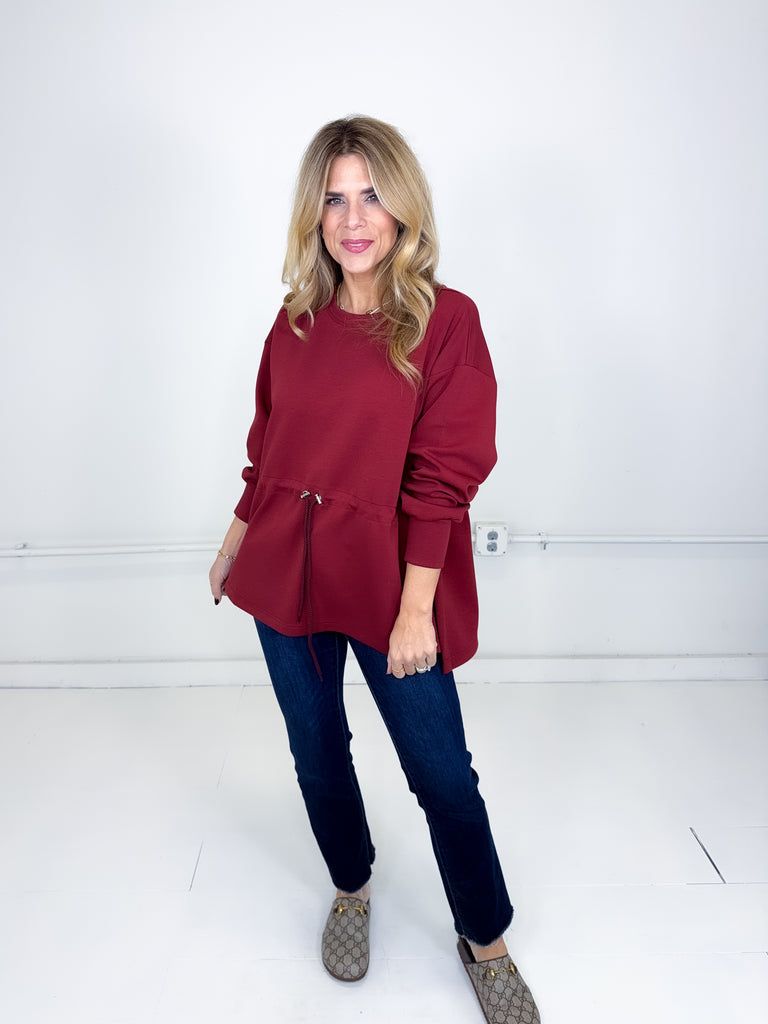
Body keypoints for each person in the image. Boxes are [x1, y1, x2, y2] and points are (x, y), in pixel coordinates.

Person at [209, 115, 540, 1024]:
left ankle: (486, 940)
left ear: (403, 208)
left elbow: (444, 479)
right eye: (333, 199)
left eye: (371, 196)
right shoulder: (295, 320)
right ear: (313, 215)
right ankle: (351, 887)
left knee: (442, 775)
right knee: (316, 754)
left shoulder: (446, 322)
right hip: (285, 572)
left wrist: (416, 610)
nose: (353, 220)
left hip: (394, 589)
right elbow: (268, 451)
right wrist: (235, 542)